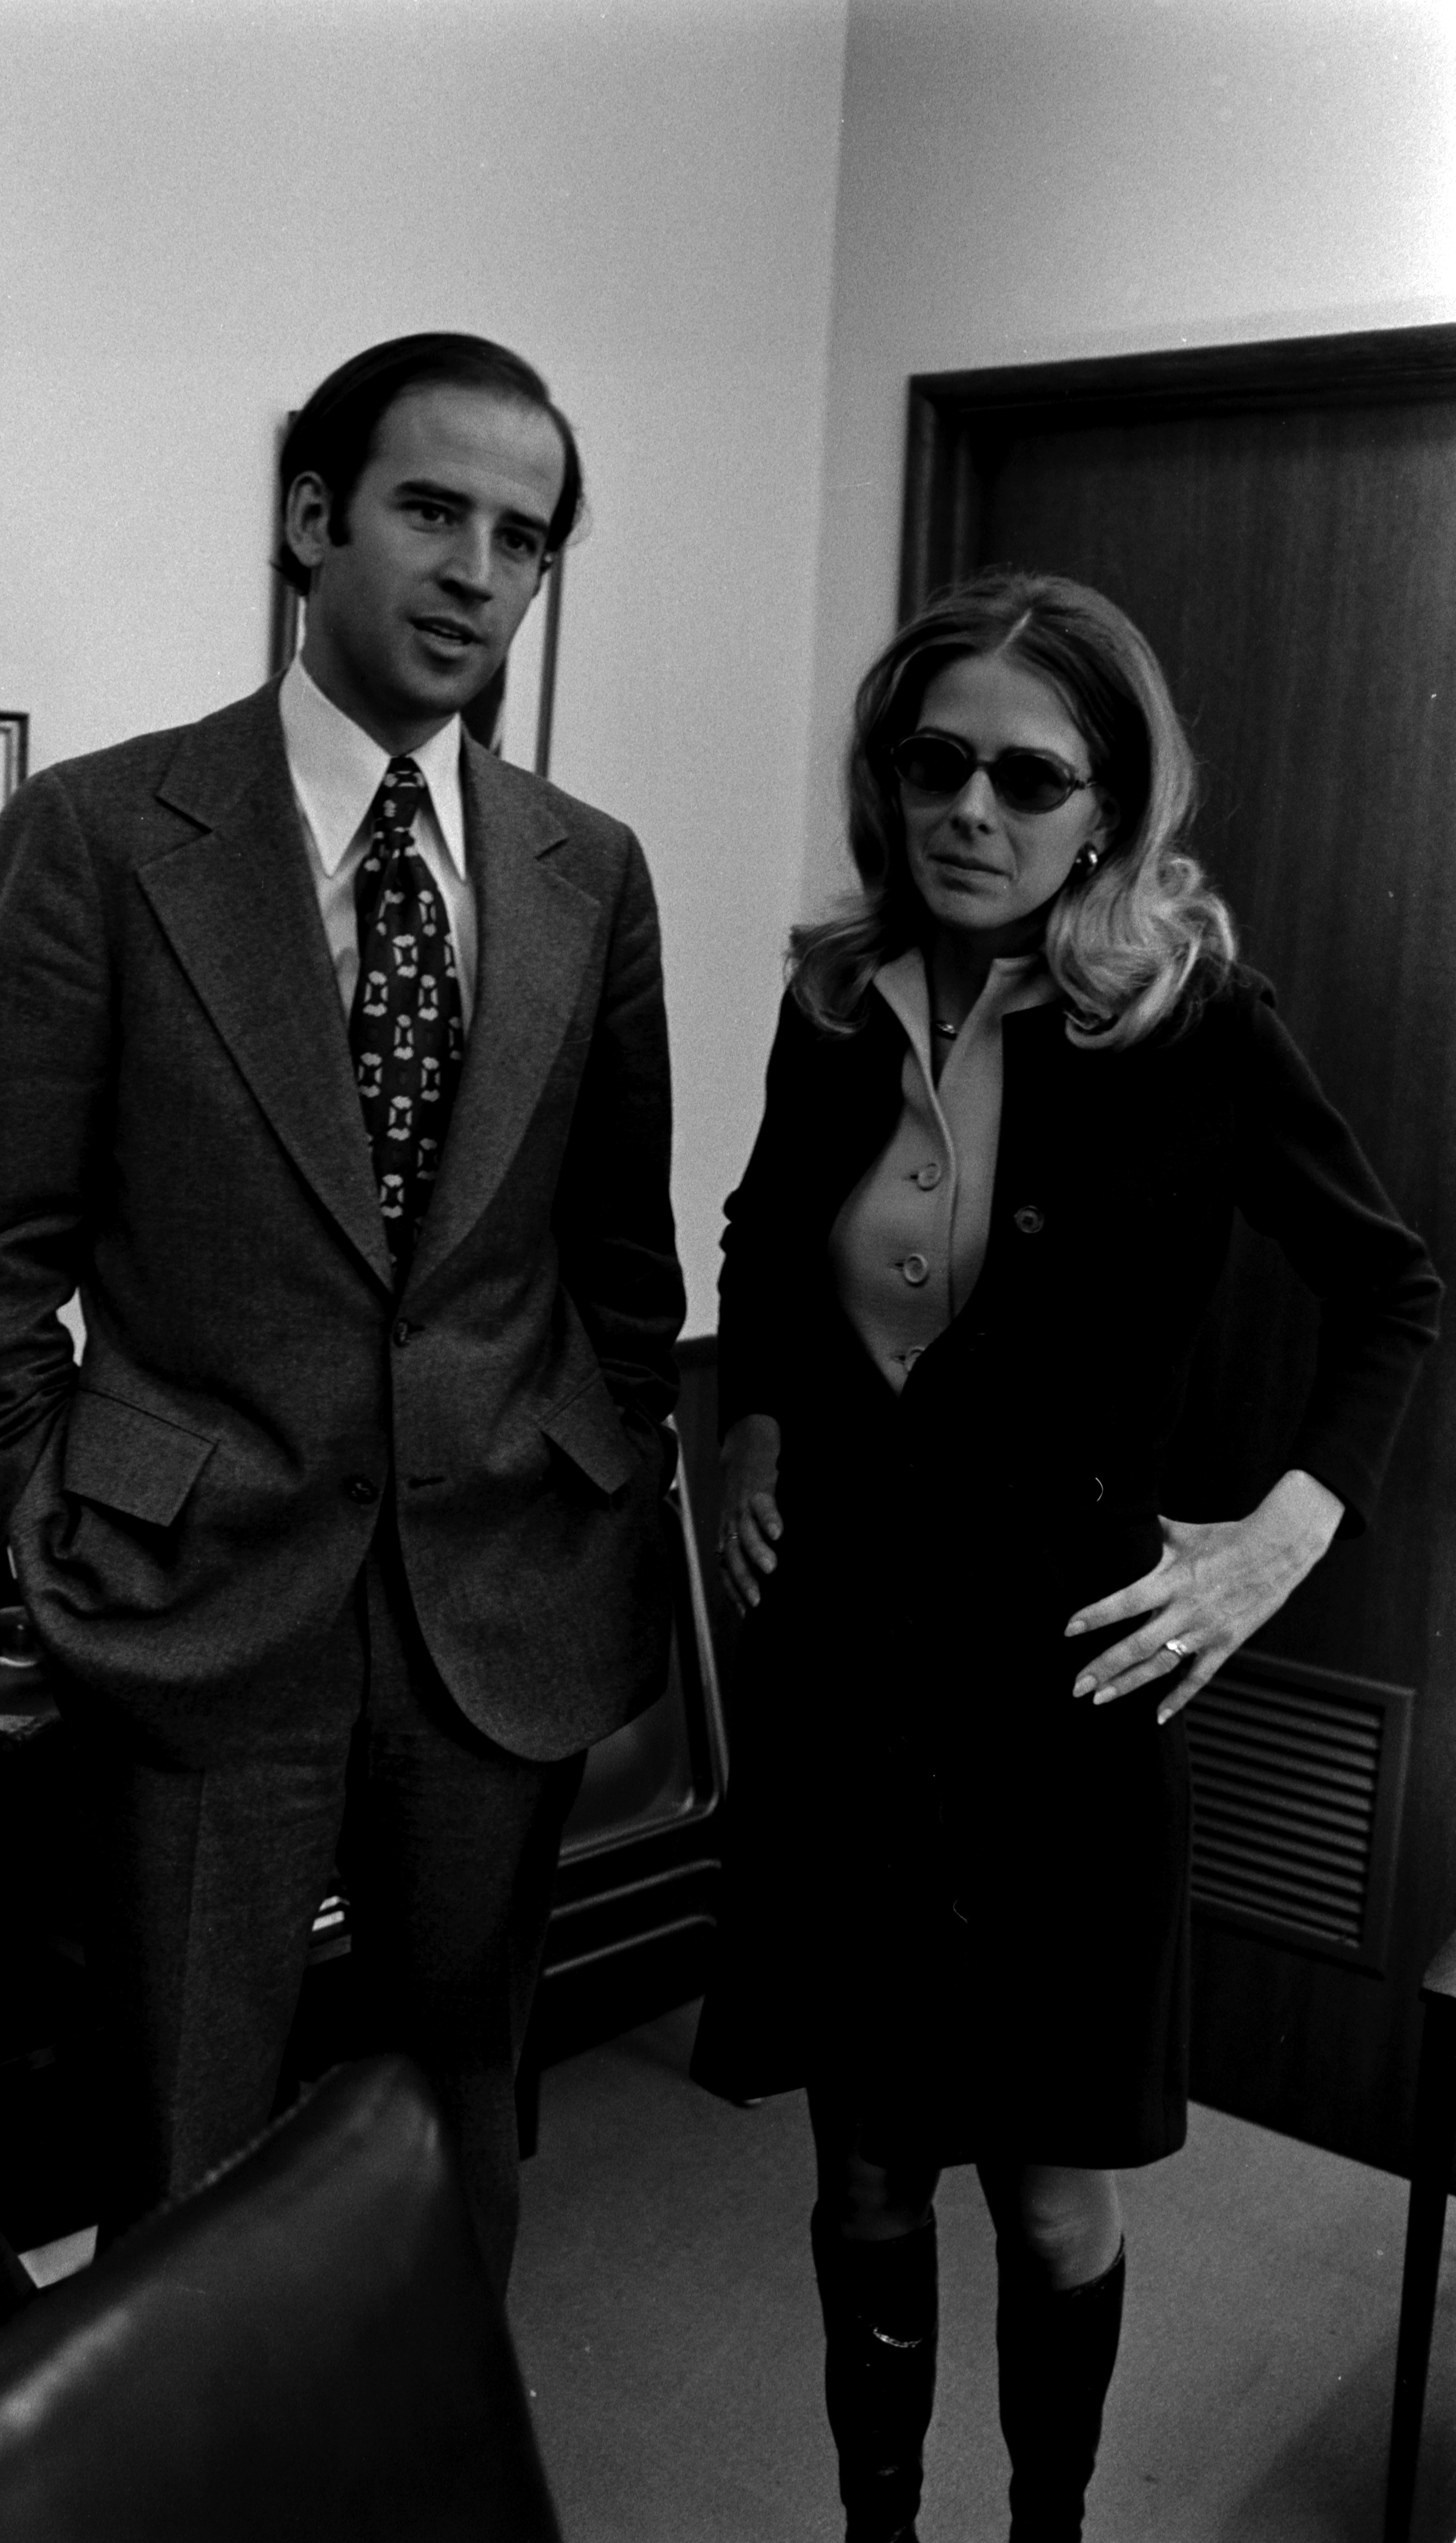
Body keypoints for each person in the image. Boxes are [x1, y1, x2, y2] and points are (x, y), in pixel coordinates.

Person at [0, 332, 684, 2290]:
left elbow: (622, 1254)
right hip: (194, 1606)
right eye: (434, 509)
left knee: (455, 2141)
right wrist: (48, 1491)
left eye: (523, 536)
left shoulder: (591, 873)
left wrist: (598, 1464)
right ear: (315, 516)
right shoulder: (100, 834)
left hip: (494, 1608)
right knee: (186, 2167)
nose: (477, 570)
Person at [692, 570, 1440, 2542]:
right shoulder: (836, 997)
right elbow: (764, 1242)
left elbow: (1394, 1289)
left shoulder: (1188, 1021)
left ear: (1106, 806)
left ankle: (1041, 2524)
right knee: (863, 2159)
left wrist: (1277, 1536)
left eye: (1031, 775)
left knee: (1045, 2180)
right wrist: (750, 1420)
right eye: (934, 761)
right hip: (843, 1660)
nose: (974, 808)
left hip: (1065, 1686)